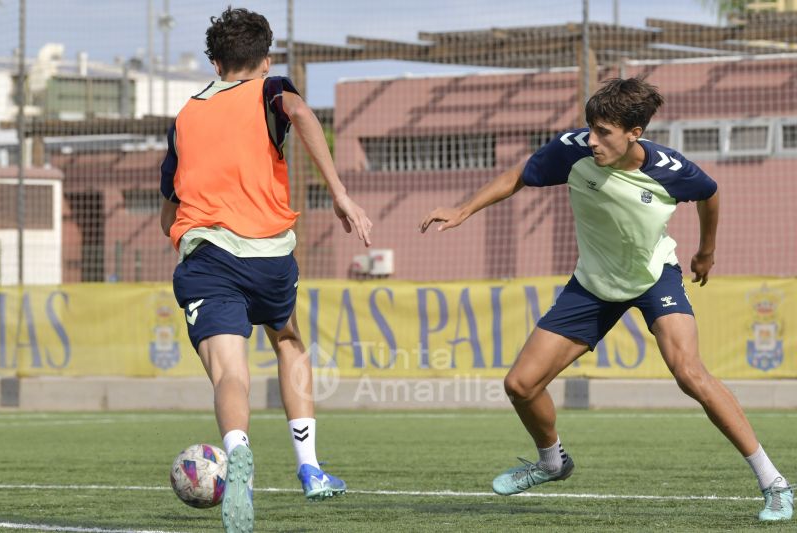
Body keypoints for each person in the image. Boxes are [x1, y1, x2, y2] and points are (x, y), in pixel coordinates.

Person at [420, 77, 792, 522]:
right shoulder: (572, 150)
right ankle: (552, 462)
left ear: (635, 133)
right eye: (590, 129)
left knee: (690, 373)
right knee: (520, 385)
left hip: (654, 277)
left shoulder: (671, 170)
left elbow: (709, 194)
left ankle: (775, 484)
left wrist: (706, 251)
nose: (592, 140)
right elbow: (518, 174)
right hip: (594, 284)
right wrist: (462, 210)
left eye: (603, 132)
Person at [159, 7, 372, 533]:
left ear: (214, 63)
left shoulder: (185, 116)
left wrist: (186, 231)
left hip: (209, 254)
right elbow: (300, 112)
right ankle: (311, 468)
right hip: (271, 256)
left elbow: (169, 206)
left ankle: (238, 457)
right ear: (266, 59)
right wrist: (339, 194)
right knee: (288, 341)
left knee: (230, 372)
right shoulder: (271, 89)